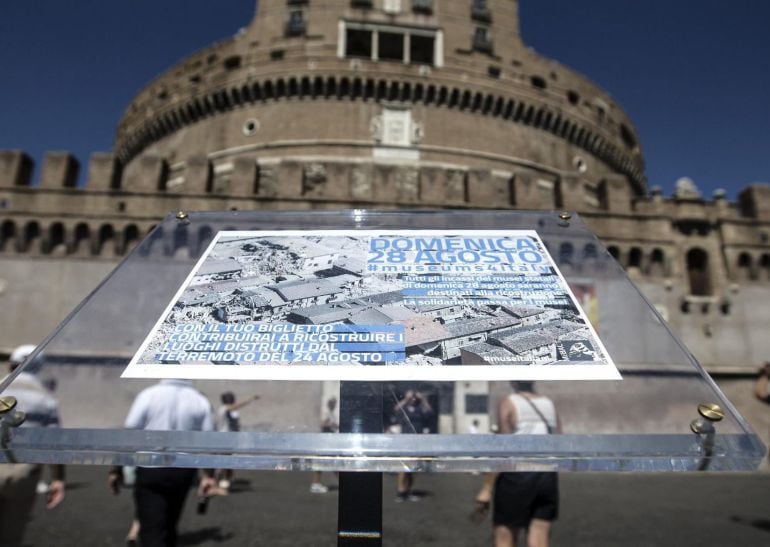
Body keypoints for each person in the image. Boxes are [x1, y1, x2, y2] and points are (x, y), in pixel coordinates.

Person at [108, 379, 218, 547]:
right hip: (183, 469)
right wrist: (209, 475)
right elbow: (208, 441)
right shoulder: (200, 400)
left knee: (151, 526)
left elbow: (130, 431)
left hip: (151, 467)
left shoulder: (149, 395)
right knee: (170, 522)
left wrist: (116, 468)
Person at [475, 382, 561, 547]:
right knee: (539, 538)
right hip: (547, 476)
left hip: (517, 477)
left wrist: (486, 489)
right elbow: (560, 440)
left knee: (505, 537)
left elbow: (504, 450)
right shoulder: (549, 403)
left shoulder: (508, 403)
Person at [0, 344, 66, 546]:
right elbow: (53, 442)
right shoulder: (46, 399)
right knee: (11, 533)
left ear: (11, 364)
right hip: (24, 471)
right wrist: (58, 479)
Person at [393, 388, 433, 501]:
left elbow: (429, 411)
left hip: (417, 440)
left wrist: (423, 399)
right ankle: (401, 491)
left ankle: (409, 490)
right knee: (404, 465)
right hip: (406, 439)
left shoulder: (419, 408)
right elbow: (396, 409)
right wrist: (406, 399)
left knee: (415, 465)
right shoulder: (404, 408)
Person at [216, 391, 259, 491]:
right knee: (222, 461)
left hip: (231, 440)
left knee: (228, 460)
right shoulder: (223, 409)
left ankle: (227, 480)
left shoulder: (234, 412)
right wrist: (250, 400)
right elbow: (233, 408)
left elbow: (236, 424)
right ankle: (218, 480)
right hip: (223, 439)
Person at [310, 396, 339, 494]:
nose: (333, 405)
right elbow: (322, 424)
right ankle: (316, 485)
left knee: (328, 463)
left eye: (334, 403)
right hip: (324, 442)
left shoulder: (332, 415)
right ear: (329, 404)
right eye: (332, 403)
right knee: (331, 463)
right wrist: (330, 425)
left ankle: (316, 484)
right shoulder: (326, 413)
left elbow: (332, 426)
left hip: (329, 442)